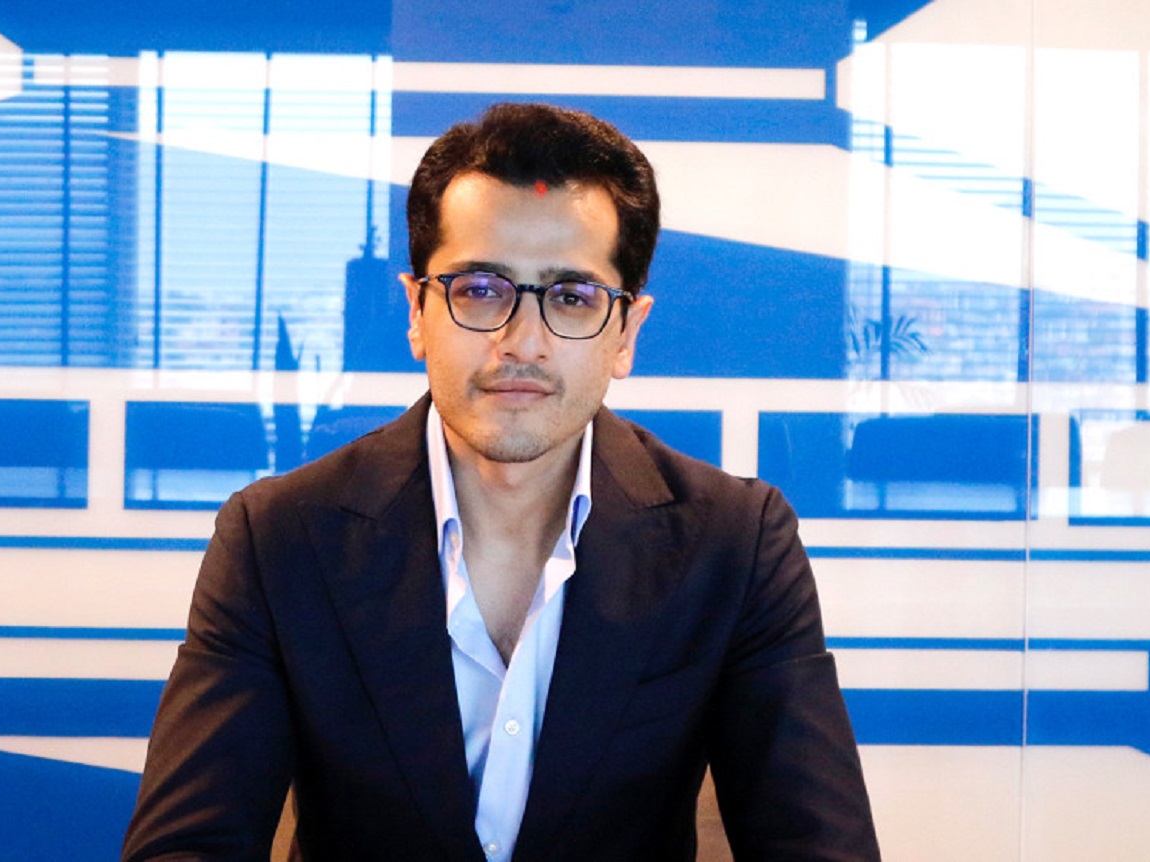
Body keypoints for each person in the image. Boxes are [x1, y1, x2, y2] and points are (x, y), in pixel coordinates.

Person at [122, 102, 879, 861]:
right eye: (481, 288)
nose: (522, 342)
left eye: (572, 297)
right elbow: (186, 847)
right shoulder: (279, 538)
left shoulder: (734, 543)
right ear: (417, 311)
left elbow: (819, 847)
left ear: (626, 332)